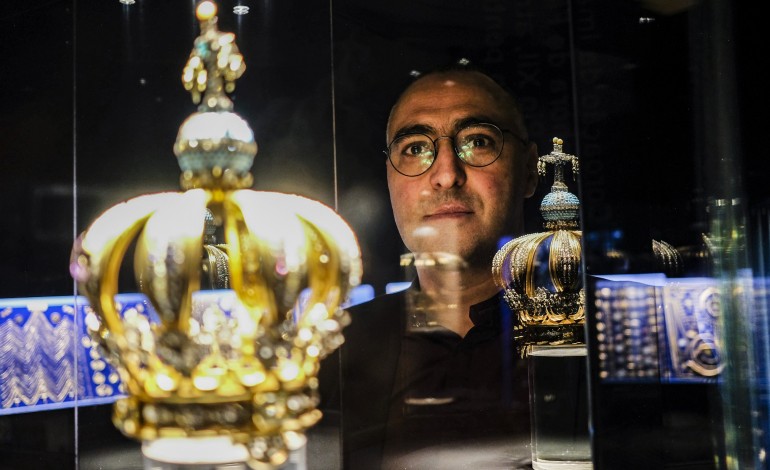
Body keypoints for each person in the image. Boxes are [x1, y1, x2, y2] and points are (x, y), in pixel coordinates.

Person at [320, 65, 540, 469]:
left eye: (477, 142)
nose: (446, 175)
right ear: (389, 178)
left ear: (529, 170)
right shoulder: (335, 351)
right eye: (415, 148)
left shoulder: (610, 326)